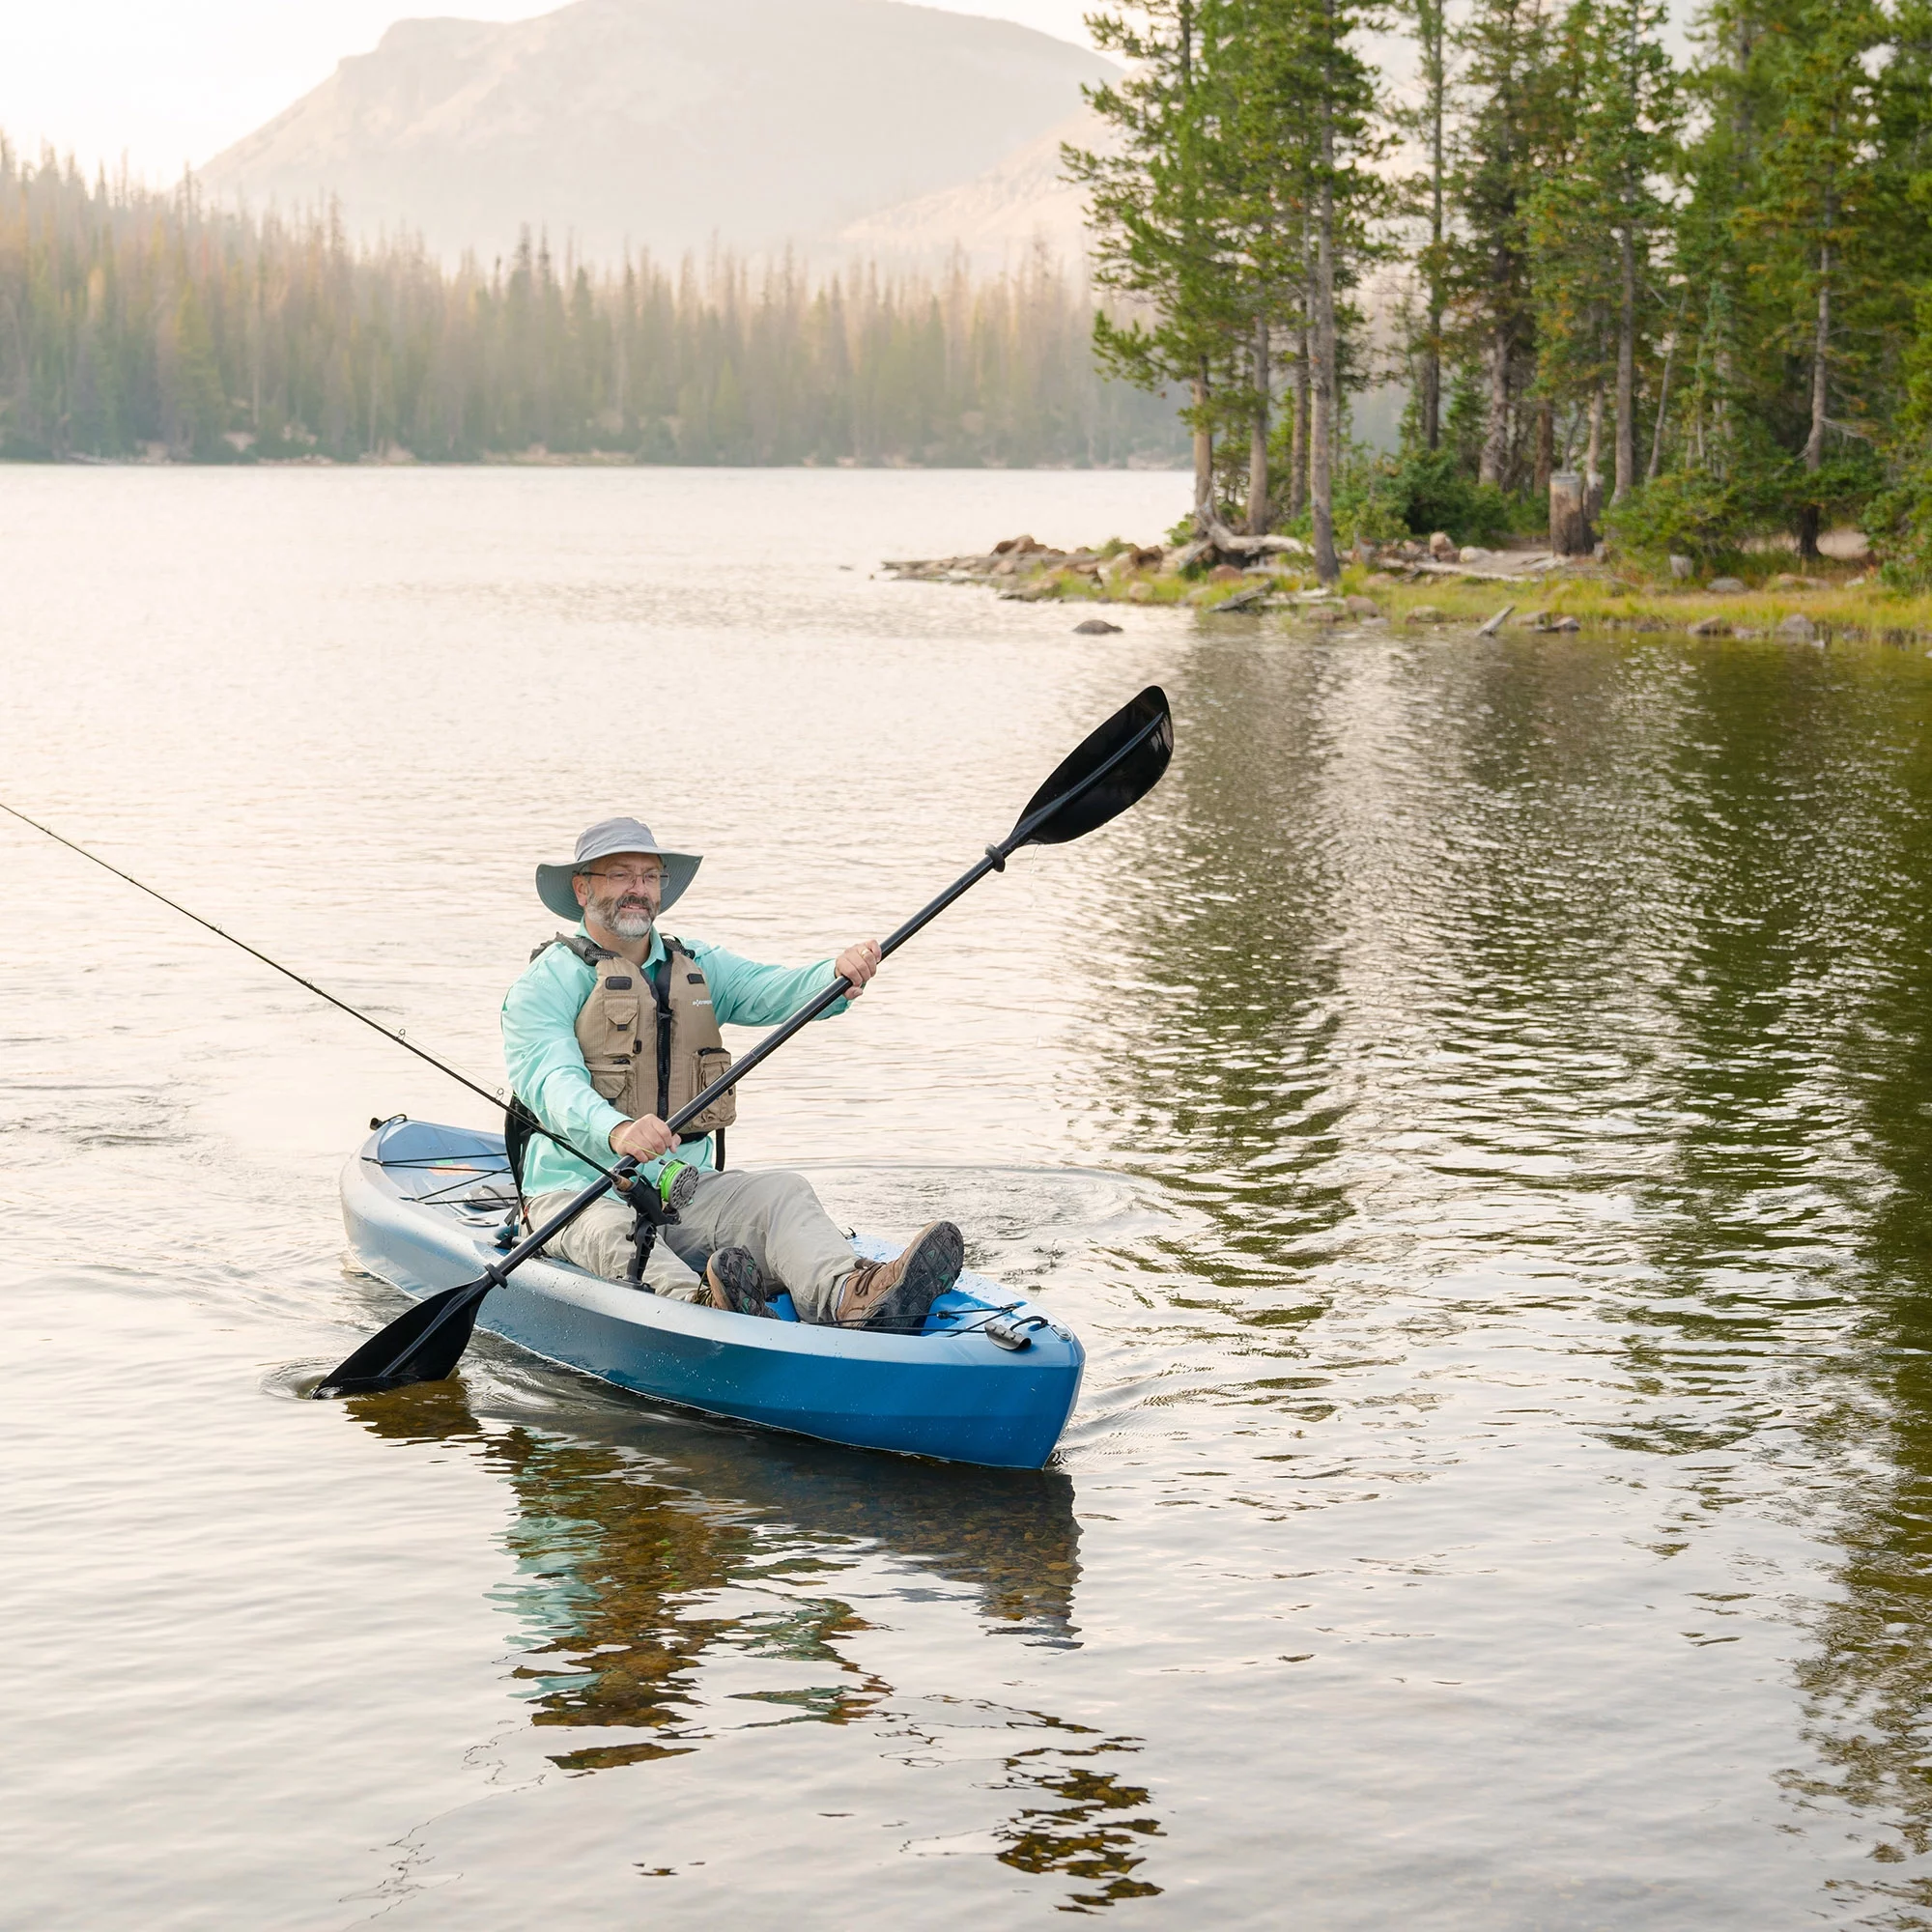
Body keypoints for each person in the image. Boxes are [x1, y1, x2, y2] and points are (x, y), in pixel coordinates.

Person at [500, 815, 964, 1329]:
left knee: (782, 1193)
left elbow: (774, 990)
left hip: (683, 1192)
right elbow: (551, 1082)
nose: (639, 889)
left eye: (650, 876)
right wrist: (618, 1130)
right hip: (576, 1196)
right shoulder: (544, 984)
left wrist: (834, 975)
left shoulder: (697, 965)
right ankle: (707, 1309)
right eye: (620, 874)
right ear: (582, 888)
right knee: (618, 1236)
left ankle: (852, 1298)